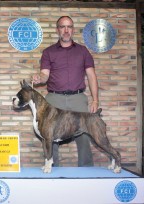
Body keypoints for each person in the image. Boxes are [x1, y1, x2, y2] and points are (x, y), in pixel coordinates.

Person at [32, 16, 99, 167]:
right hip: (54, 99)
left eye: (69, 27)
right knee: (49, 135)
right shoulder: (48, 52)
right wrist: (39, 78)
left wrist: (95, 100)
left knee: (84, 135)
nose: (66, 30)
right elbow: (44, 75)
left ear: (73, 30)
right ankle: (52, 169)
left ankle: (86, 170)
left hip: (78, 99)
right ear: (58, 30)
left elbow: (91, 76)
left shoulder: (83, 51)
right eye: (63, 27)